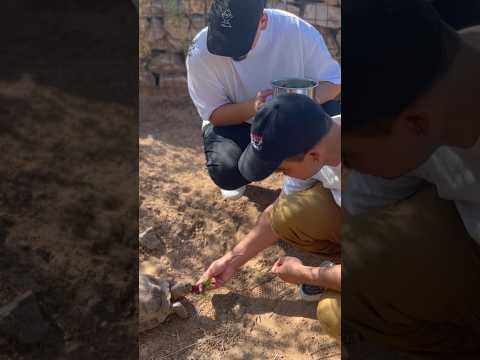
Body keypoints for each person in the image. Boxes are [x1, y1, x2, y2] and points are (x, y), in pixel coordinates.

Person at [341, 0, 480, 356]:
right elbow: (362, 206)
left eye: (351, 157)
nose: (348, 167)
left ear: (417, 124)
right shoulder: (429, 80)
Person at [196, 93, 342, 339]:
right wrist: (232, 260)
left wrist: (305, 274)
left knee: (333, 315)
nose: (280, 174)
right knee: (287, 213)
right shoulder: (323, 139)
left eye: (283, 168)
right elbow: (278, 212)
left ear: (313, 156)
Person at [186, 0, 341, 199]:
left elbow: (334, 81)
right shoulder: (199, 51)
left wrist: (302, 103)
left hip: (298, 116)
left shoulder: (295, 30)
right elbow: (215, 113)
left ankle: (316, 178)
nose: (230, 51)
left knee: (333, 132)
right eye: (222, 41)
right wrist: (254, 107)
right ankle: (260, 174)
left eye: (239, 43)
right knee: (227, 170)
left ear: (263, 21)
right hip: (238, 121)